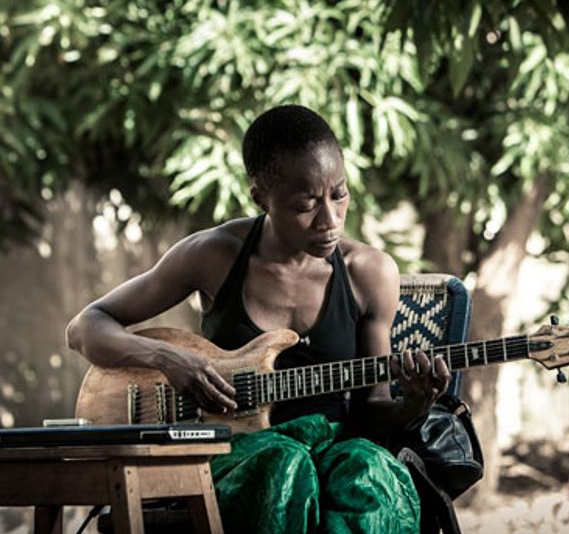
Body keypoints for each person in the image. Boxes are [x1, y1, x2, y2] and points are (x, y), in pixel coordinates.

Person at [66, 104, 451, 533]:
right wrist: (166, 359)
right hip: (235, 454)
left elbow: (372, 409)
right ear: (260, 198)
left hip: (335, 451)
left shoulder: (369, 273)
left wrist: (414, 404)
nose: (329, 220)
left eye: (339, 194)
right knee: (283, 466)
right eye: (306, 204)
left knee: (370, 477)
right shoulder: (214, 256)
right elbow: (85, 327)